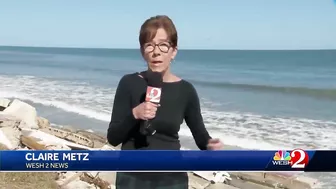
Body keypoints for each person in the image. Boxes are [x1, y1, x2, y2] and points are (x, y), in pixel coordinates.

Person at [107, 15, 224, 189]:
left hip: (171, 179)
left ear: (173, 51)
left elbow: (201, 137)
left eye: (163, 45)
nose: (156, 51)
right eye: (149, 45)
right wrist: (135, 114)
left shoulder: (186, 90)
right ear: (142, 51)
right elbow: (113, 138)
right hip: (131, 177)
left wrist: (211, 145)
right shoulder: (128, 83)